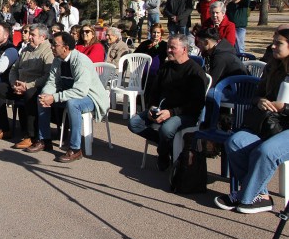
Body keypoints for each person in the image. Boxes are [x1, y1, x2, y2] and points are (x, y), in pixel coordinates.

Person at [215, 25, 289, 214]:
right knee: (235, 142)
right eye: (273, 42)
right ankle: (261, 195)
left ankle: (246, 197)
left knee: (265, 151)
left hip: (286, 128)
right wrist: (261, 101)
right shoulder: (272, 66)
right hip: (270, 124)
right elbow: (256, 95)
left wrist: (285, 107)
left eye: (278, 43)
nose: (272, 47)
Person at [128, 34, 207, 170]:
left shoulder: (195, 72)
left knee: (166, 129)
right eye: (168, 47)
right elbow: (154, 91)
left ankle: (163, 154)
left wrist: (171, 113)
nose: (168, 50)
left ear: (184, 49)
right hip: (162, 110)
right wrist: (152, 107)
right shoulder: (166, 67)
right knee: (134, 123)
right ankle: (167, 144)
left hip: (185, 114)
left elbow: (196, 104)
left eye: (172, 48)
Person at [32, 31, 109, 162]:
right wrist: (46, 95)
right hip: (69, 93)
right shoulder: (58, 60)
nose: (51, 47)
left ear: (65, 48)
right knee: (42, 98)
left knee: (73, 104)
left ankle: (75, 149)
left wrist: (55, 98)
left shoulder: (81, 62)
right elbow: (52, 81)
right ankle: (44, 139)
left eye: (55, 44)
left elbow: (80, 91)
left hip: (90, 96)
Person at [0, 23, 54, 147]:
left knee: (30, 94)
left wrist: (27, 86)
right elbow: (14, 69)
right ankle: (3, 129)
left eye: (33, 35)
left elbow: (47, 76)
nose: (29, 38)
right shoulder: (26, 49)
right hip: (19, 85)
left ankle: (30, 136)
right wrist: (13, 84)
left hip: (35, 86)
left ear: (43, 37)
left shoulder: (48, 51)